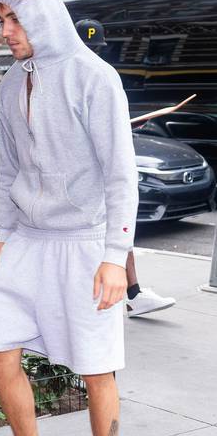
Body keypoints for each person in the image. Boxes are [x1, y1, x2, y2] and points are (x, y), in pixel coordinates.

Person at [0, 0, 139, 436]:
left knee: (96, 368)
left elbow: (122, 173)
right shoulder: (12, 83)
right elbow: (7, 168)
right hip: (28, 240)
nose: (6, 30)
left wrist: (115, 257)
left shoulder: (95, 78)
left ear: (43, 13)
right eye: (1, 19)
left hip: (85, 241)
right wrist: (3, 234)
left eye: (14, 17)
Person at [75, 19, 176, 318]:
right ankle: (131, 294)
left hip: (97, 173)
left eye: (96, 49)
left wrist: (124, 128)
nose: (93, 54)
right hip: (78, 180)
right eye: (88, 48)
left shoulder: (102, 78)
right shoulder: (71, 78)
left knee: (117, 229)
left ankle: (133, 293)